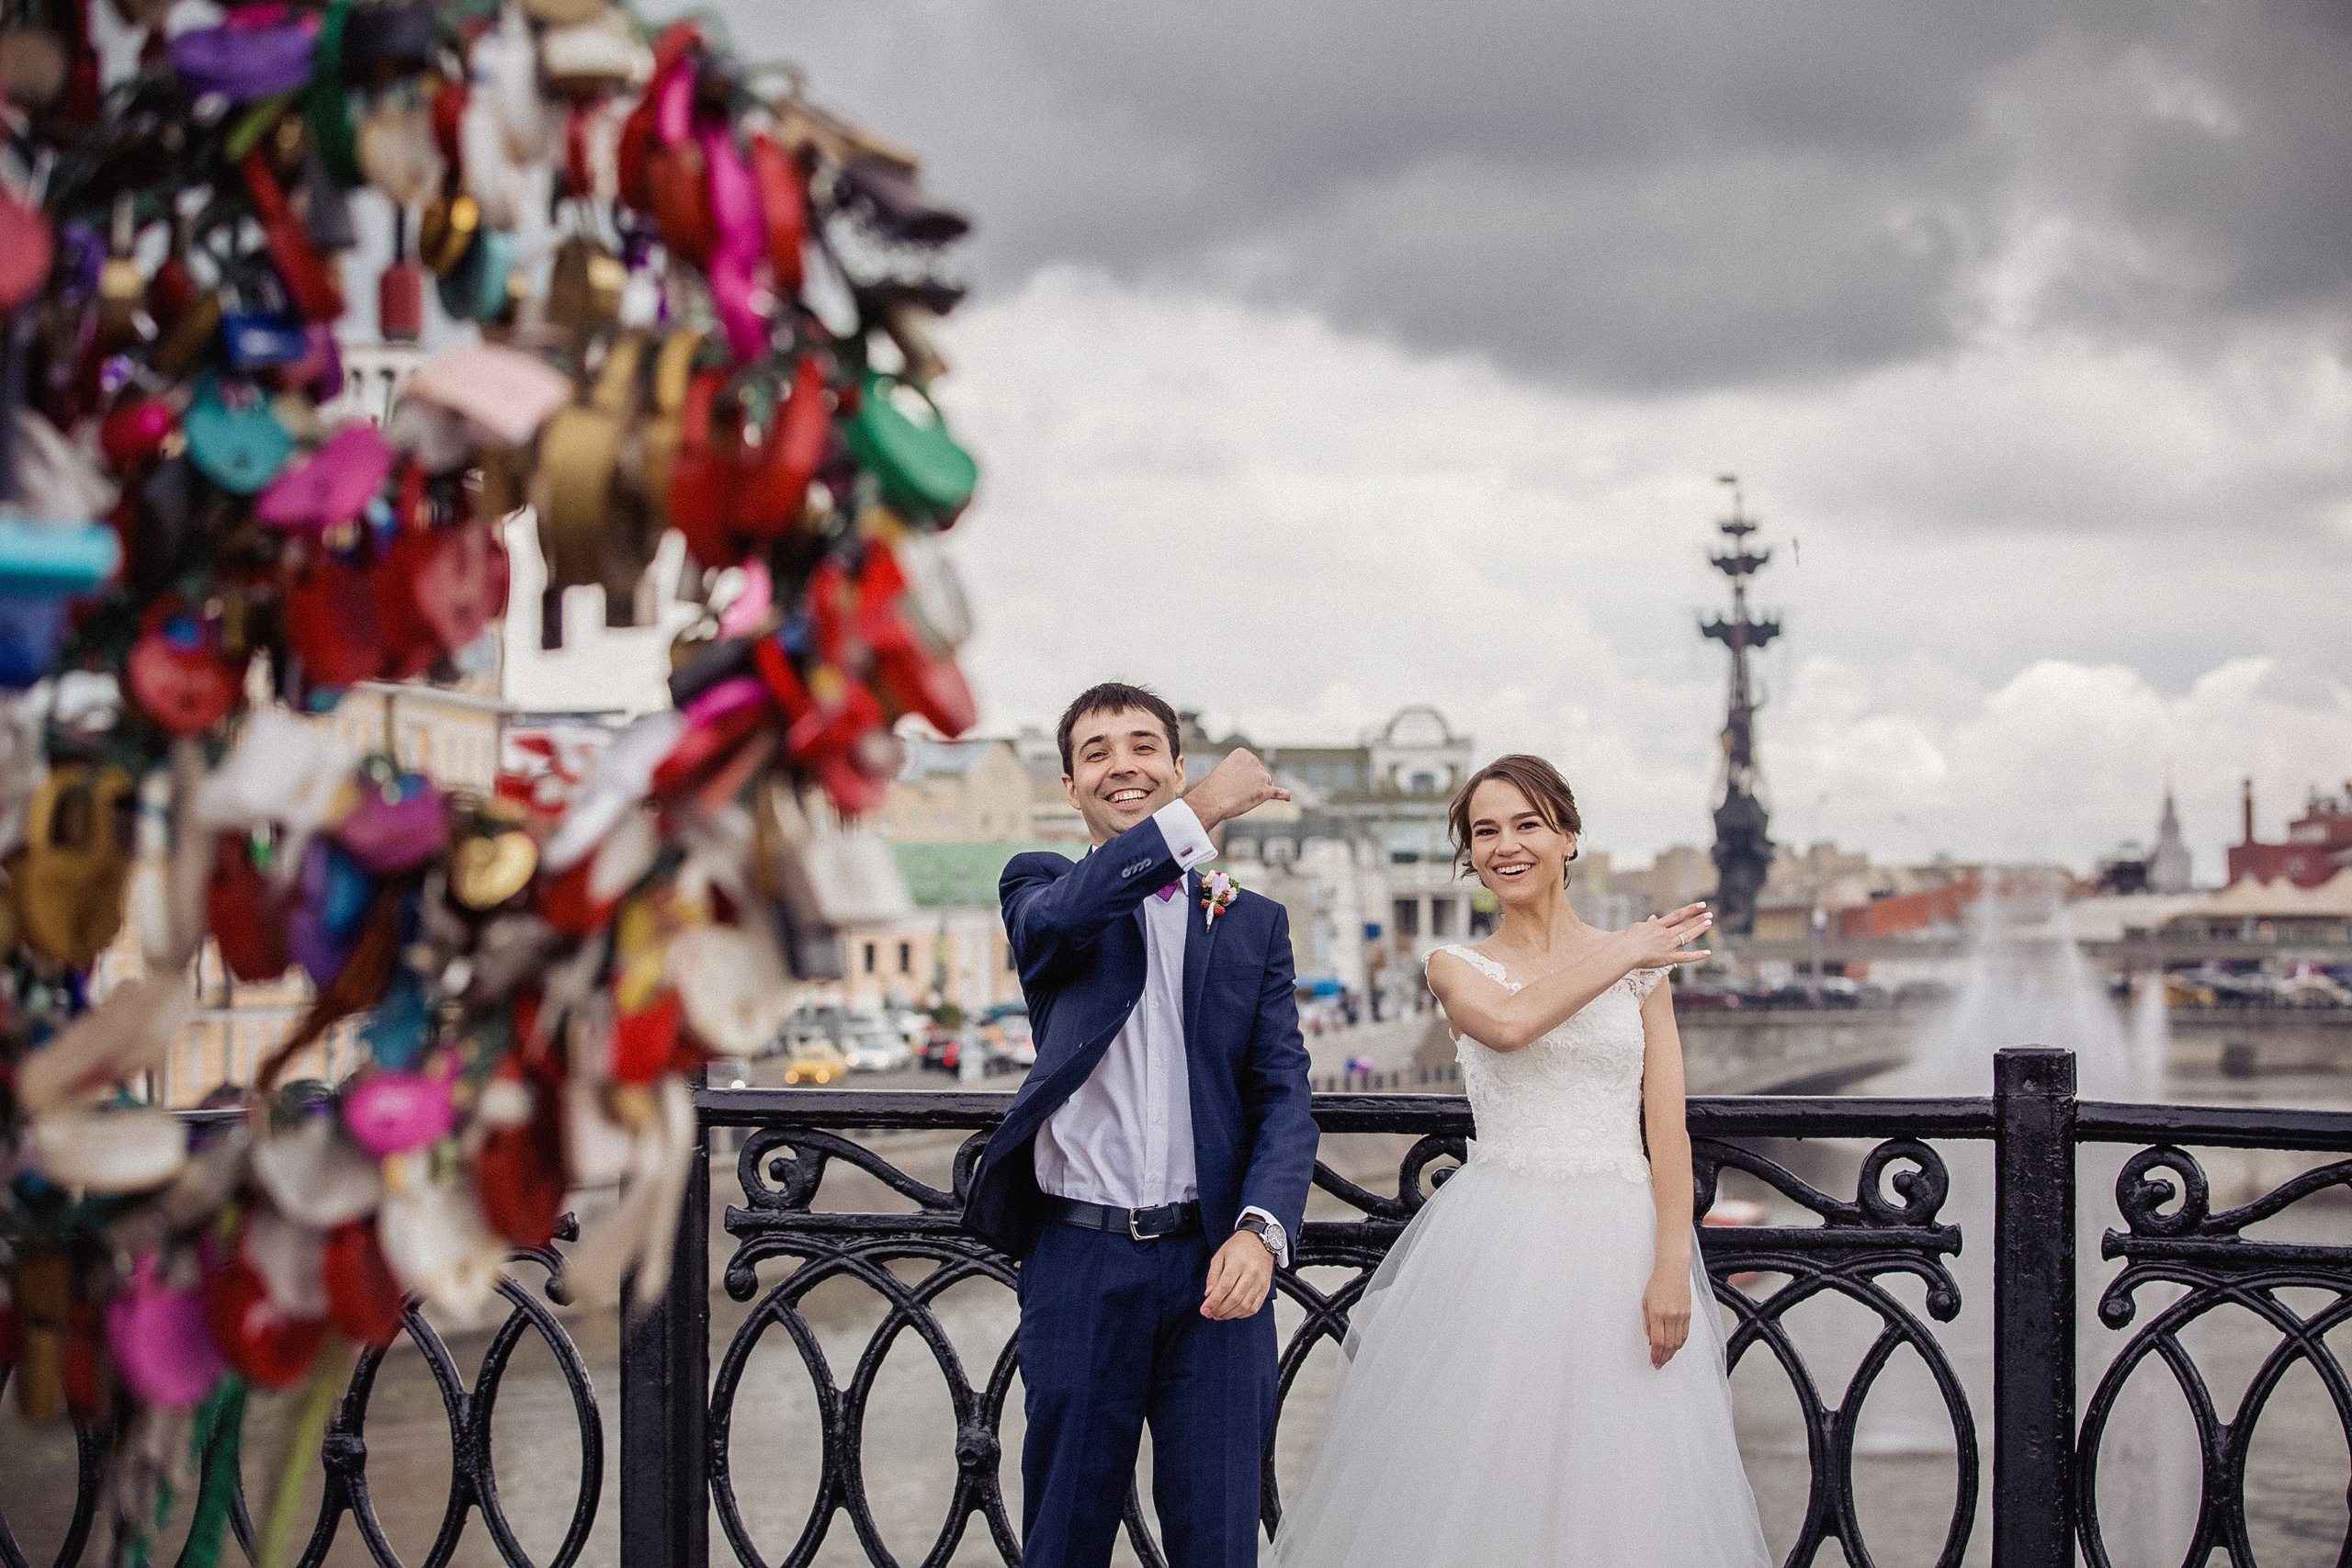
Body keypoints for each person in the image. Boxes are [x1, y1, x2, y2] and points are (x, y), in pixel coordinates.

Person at [1272, 753, 1770, 1567]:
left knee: (1623, 1486)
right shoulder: (1455, 965)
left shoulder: (1646, 968)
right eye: (1485, 832)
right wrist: (1629, 951)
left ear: (1567, 835)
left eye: (1528, 824)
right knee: (1481, 1484)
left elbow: (1666, 1126)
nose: (1507, 845)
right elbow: (1506, 1025)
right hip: (1497, 1249)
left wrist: (1672, 1263)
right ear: (1469, 855)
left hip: (1620, 1242)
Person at [963, 682, 1317, 1568]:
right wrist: (1199, 813)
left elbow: (1283, 1093)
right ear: (1069, 786)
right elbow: (1070, 917)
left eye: (1144, 746)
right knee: (1066, 1536)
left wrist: (1262, 1230)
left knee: (1221, 1537)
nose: (1123, 764)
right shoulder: (1039, 887)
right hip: (1080, 1262)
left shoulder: (1253, 922)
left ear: (1175, 764)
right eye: (1097, 752)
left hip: (1218, 1267)